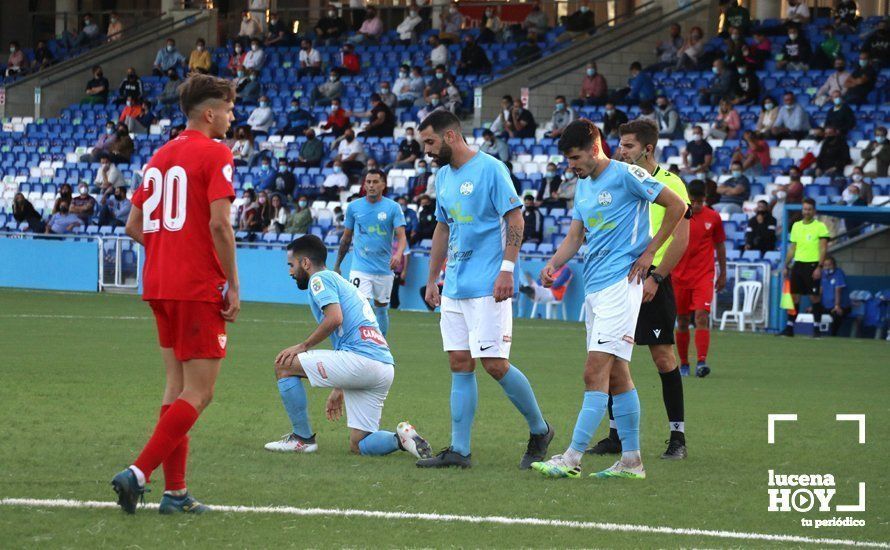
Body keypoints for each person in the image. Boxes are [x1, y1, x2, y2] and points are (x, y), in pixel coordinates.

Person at [110, 74, 240, 515]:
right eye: (227, 109)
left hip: (160, 284)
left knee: (177, 386)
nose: (231, 116)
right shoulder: (216, 152)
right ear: (210, 113)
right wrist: (233, 283)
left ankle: (176, 494)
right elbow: (220, 225)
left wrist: (168, 250)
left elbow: (133, 225)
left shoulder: (160, 156)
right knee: (200, 393)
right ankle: (138, 474)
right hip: (196, 286)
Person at [531, 119, 686, 480]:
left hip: (621, 285)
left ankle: (571, 457)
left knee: (593, 372)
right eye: (568, 159)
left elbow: (676, 206)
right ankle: (632, 461)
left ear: (594, 147)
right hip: (595, 288)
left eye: (575, 157)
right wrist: (554, 262)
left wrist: (649, 255)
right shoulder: (584, 188)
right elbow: (575, 235)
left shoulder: (627, 174)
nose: (571, 165)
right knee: (618, 376)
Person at [417, 110, 553, 469]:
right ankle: (460, 451)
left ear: (449, 136)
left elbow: (515, 218)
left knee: (494, 364)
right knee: (459, 363)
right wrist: (433, 279)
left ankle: (540, 429)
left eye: (430, 142)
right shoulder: (443, 176)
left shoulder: (491, 169)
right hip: (455, 285)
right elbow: (442, 229)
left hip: (489, 284)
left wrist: (507, 270)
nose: (426, 150)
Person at [264, 234, 433, 458]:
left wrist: (303, 346)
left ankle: (302, 439)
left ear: (305, 263)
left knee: (283, 365)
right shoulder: (341, 282)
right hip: (382, 368)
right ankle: (401, 439)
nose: (290, 272)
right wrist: (339, 386)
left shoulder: (319, 279)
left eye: (291, 265)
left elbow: (335, 318)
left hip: (360, 361)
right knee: (359, 444)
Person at [588, 118, 691, 460]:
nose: (621, 150)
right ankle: (616, 435)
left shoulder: (671, 183)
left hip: (651, 282)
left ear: (648, 149)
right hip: (618, 282)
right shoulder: (618, 176)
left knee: (663, 357)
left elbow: (681, 237)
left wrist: (656, 276)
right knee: (613, 357)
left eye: (628, 145)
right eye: (620, 144)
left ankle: (677, 437)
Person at [332, 170, 407, 338]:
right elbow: (346, 238)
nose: (371, 185)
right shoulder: (353, 207)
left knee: (381, 308)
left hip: (384, 268)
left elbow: (402, 237)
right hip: (360, 268)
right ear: (364, 184)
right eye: (368, 182)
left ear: (383, 185)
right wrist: (337, 264)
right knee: (360, 306)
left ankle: (381, 345)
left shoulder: (393, 208)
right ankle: (360, 343)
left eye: (375, 182)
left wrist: (398, 254)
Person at [672, 180, 726, 378]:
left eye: (699, 202)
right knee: (683, 320)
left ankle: (701, 362)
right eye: (692, 201)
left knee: (701, 316)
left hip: (703, 275)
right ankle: (684, 364)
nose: (695, 205)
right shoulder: (677, 214)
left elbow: (720, 246)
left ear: (705, 199)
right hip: (678, 276)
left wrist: (723, 273)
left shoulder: (714, 217)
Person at [780, 198, 830, 338]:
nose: (806, 212)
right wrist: (786, 264)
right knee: (794, 296)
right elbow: (793, 247)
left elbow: (823, 248)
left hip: (813, 264)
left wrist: (819, 267)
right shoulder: (796, 226)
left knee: (814, 297)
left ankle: (817, 328)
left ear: (814, 211)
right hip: (798, 264)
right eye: (804, 209)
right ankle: (790, 328)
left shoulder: (820, 227)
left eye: (809, 209)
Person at [820, 256, 850, 336]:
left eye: (829, 265)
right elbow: (820, 291)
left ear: (834, 265)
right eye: (825, 265)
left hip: (840, 305)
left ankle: (833, 335)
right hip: (826, 305)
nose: (827, 267)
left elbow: (838, 290)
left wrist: (837, 305)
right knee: (812, 312)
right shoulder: (822, 274)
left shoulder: (838, 273)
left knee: (837, 314)